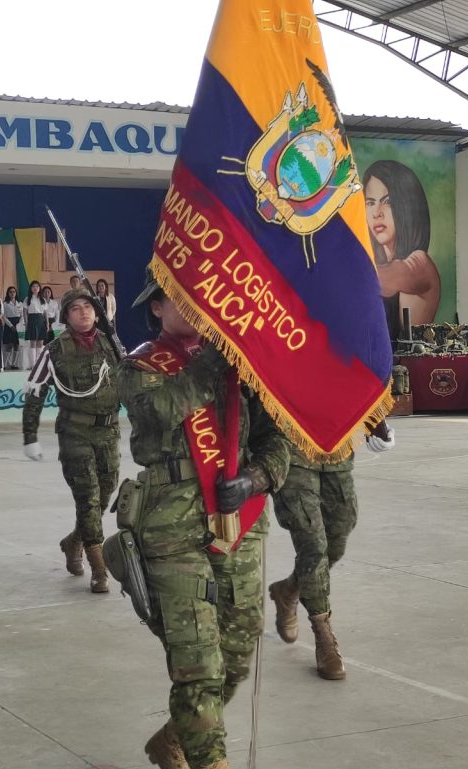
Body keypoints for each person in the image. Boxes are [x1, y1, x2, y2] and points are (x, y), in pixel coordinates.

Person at [116, 274, 290, 769]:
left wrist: (256, 480)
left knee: (237, 650)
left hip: (239, 519)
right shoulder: (140, 365)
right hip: (171, 524)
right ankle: (209, 759)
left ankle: (176, 735)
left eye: (201, 299)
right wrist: (214, 358)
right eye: (181, 298)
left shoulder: (244, 366)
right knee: (198, 662)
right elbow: (161, 411)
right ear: (156, 308)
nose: (195, 308)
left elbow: (277, 440)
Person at [268, 425, 394, 681]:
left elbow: (361, 384)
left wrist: (376, 421)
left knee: (339, 534)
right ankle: (322, 630)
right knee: (312, 544)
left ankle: (289, 589)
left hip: (336, 445)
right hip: (290, 448)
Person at [22, 288, 121, 592]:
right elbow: (35, 392)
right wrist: (30, 437)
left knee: (105, 493)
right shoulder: (53, 350)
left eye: (88, 306)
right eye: (75, 308)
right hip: (74, 433)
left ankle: (74, 541)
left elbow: (130, 380)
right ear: (65, 316)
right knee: (88, 498)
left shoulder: (111, 343)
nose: (84, 312)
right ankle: (99, 568)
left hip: (109, 431)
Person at [362, 159, 441, 339]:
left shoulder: (421, 264)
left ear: (406, 206)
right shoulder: (378, 261)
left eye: (387, 201)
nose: (377, 213)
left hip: (407, 365)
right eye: (370, 202)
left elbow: (377, 278)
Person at [23, 280, 48, 368]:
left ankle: (39, 363)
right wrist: (26, 323)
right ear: (30, 288)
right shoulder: (27, 299)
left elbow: (45, 313)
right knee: (33, 342)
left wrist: (47, 324)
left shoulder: (43, 299)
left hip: (41, 320)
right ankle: (32, 364)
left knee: (40, 343)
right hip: (32, 320)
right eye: (33, 286)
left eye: (37, 286)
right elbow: (25, 312)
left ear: (39, 288)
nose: (35, 288)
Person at [2, 286, 23, 370]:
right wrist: (10, 325)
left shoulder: (20, 303)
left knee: (16, 345)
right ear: (8, 293)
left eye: (14, 291)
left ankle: (14, 364)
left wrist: (19, 325)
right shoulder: (5, 304)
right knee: (9, 345)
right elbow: (4, 316)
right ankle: (6, 364)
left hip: (18, 324)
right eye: (10, 292)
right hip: (9, 325)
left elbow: (22, 316)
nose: (12, 293)